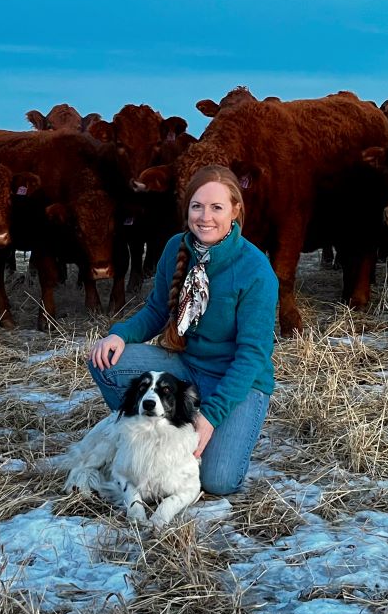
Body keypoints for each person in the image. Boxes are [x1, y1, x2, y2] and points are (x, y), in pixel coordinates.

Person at [88, 164, 278, 495]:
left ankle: (206, 431)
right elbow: (156, 310)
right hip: (186, 367)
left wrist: (209, 418)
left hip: (238, 380)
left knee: (218, 482)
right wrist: (119, 334)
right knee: (105, 361)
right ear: (186, 209)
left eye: (217, 207)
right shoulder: (177, 247)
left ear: (235, 211)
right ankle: (147, 440)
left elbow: (252, 356)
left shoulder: (256, 270)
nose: (205, 217)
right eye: (197, 206)